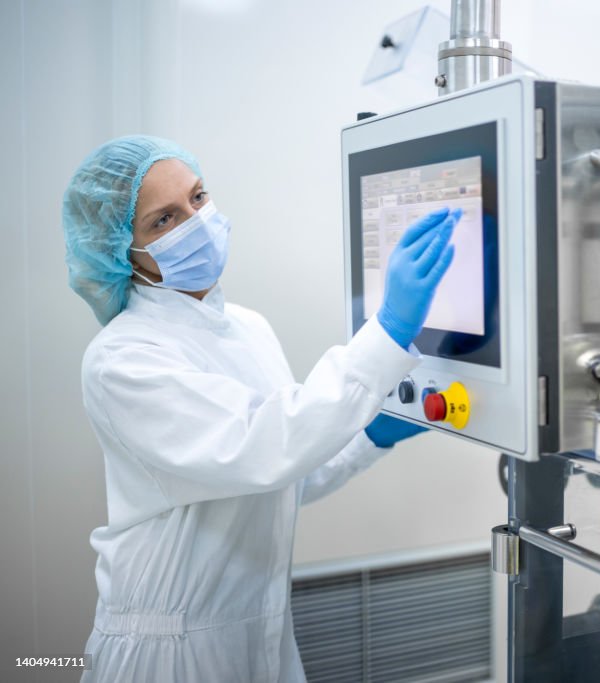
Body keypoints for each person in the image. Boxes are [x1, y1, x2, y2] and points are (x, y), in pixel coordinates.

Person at [62, 135, 460, 682]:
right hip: (167, 653)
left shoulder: (247, 328)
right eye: (163, 220)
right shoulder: (122, 359)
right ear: (120, 253)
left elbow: (282, 477)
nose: (196, 222)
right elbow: (264, 446)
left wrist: (372, 436)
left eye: (198, 198)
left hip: (260, 636)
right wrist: (387, 329)